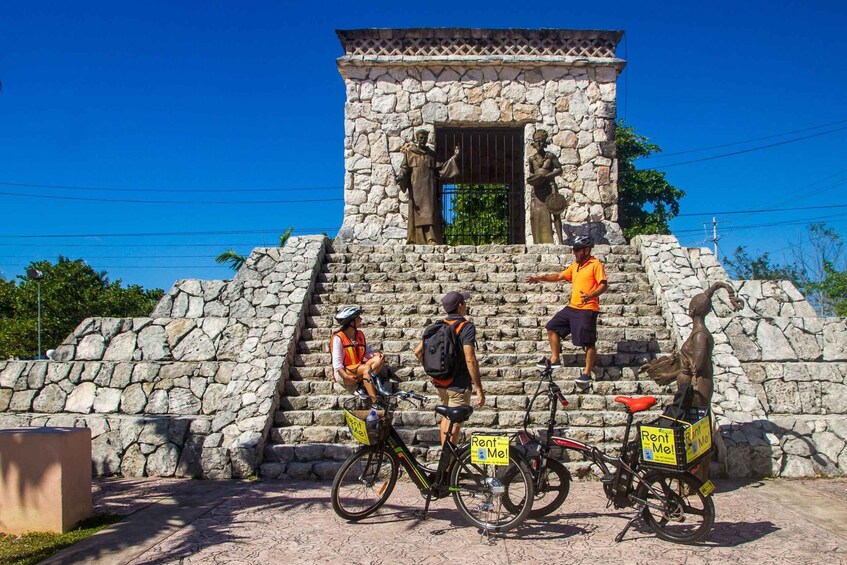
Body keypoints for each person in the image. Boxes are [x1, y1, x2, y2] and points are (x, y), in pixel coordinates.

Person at [525, 235, 608, 385]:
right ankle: (555, 359)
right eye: (574, 250)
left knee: (588, 342)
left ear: (587, 250)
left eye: (578, 250)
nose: (575, 253)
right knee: (552, 327)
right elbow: (558, 276)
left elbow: (603, 285)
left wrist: (591, 295)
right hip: (572, 308)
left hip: (587, 308)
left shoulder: (596, 264)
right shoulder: (575, 266)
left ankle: (587, 373)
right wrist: (539, 277)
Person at [414, 291, 485, 445]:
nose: (466, 305)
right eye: (464, 303)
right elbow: (470, 359)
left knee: (446, 419)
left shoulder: (438, 326)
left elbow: (417, 351)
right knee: (455, 423)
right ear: (460, 306)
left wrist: (434, 371)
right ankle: (449, 461)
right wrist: (478, 388)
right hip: (458, 384)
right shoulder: (466, 327)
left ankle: (444, 459)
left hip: (441, 383)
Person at [396, 129, 460, 245]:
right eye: (420, 138)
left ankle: (431, 239)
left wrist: (454, 158)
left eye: (424, 138)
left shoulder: (432, 155)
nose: (423, 140)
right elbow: (404, 169)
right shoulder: (410, 153)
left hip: (429, 188)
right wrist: (401, 177)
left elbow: (441, 170)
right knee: (417, 212)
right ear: (417, 138)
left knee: (430, 212)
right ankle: (415, 239)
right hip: (415, 189)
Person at [330, 306, 385, 402]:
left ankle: (363, 386)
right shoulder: (338, 338)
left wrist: (376, 355)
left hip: (357, 368)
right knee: (366, 368)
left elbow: (367, 352)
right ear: (351, 322)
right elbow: (337, 364)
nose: (361, 319)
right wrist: (346, 377)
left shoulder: (359, 335)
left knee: (379, 359)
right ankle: (374, 401)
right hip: (343, 373)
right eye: (358, 318)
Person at [527, 130, 565, 245]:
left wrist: (547, 176)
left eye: (540, 142)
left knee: (555, 211)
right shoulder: (532, 159)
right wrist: (535, 179)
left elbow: (559, 169)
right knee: (535, 214)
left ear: (544, 143)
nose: (538, 144)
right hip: (538, 188)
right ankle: (538, 241)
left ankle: (561, 241)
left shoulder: (550, 156)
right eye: (536, 142)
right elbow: (532, 173)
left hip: (550, 186)